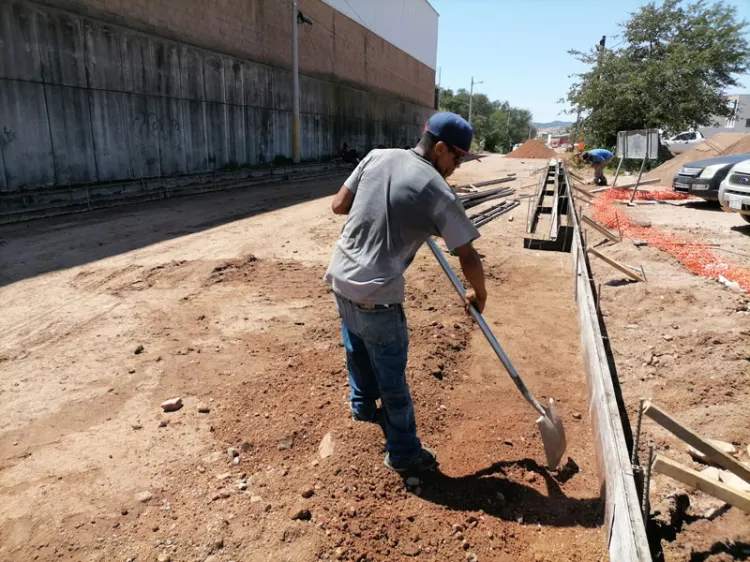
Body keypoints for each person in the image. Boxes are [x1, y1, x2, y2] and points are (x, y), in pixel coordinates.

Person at [324, 112, 487, 474]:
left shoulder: (377, 156)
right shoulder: (439, 191)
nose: (457, 166)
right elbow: (468, 255)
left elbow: (339, 205)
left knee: (356, 345)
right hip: (377, 292)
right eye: (457, 157)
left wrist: (385, 205)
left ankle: (362, 406)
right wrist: (480, 294)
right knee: (393, 379)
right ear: (440, 148)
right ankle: (403, 452)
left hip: (340, 277)